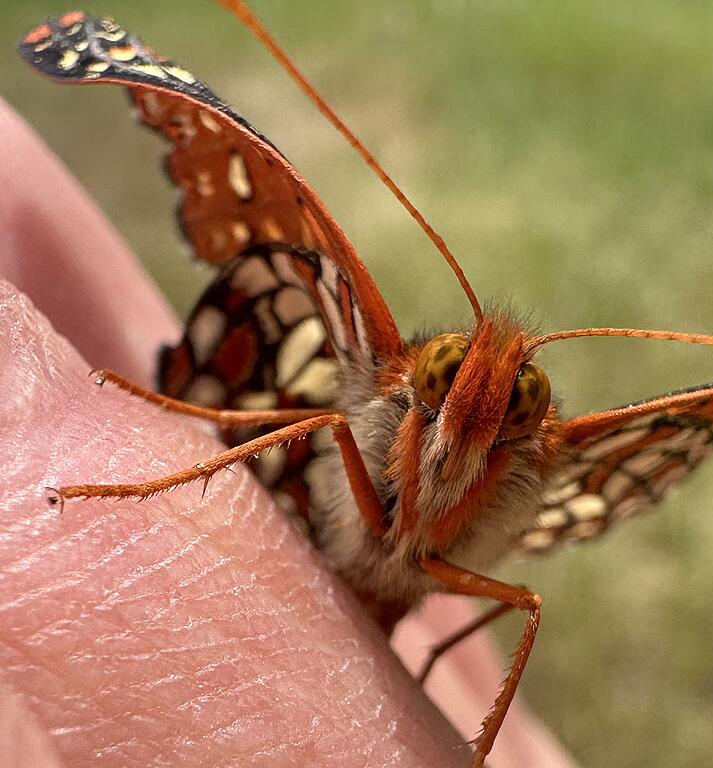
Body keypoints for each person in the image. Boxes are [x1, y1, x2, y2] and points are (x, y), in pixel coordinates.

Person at [0, 97, 575, 768]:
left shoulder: (527, 455)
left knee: (525, 604)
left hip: (425, 569)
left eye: (517, 406)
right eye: (448, 375)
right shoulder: (395, 395)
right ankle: (179, 465)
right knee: (329, 415)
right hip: (340, 518)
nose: (472, 417)